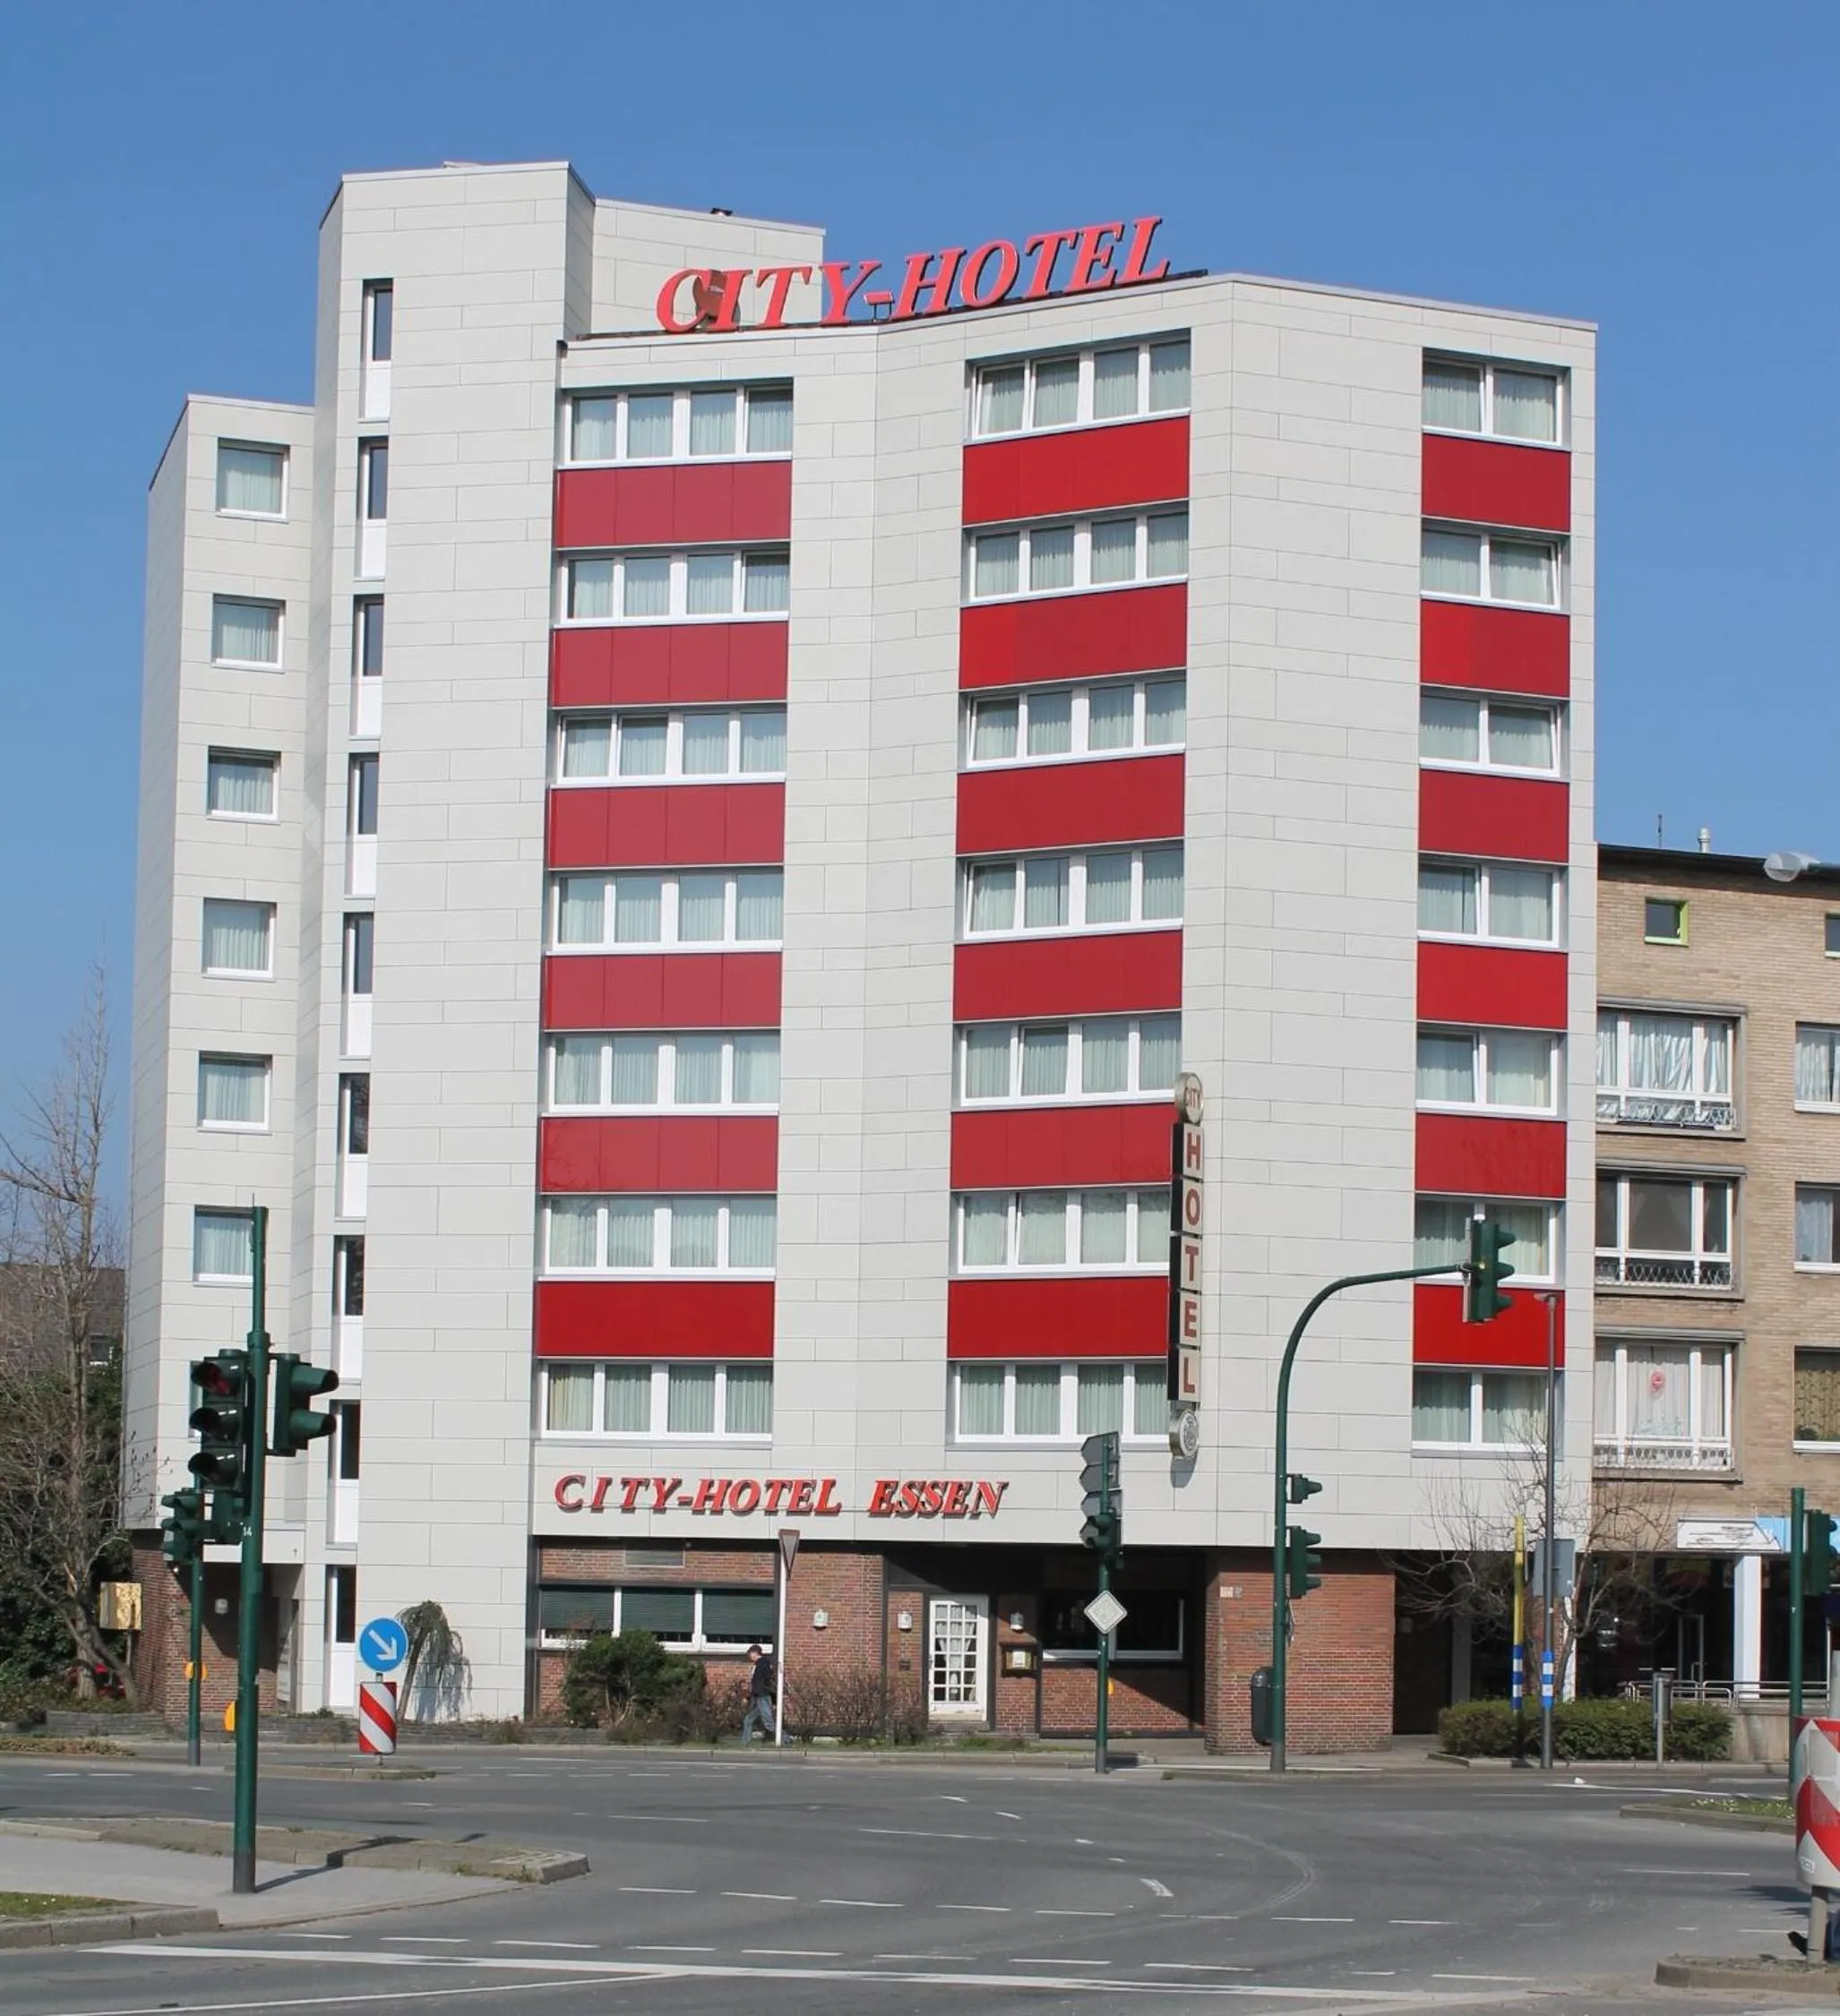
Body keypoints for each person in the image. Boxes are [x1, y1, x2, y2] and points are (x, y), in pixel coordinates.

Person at [741, 1643, 778, 1743]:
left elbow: (760, 1683)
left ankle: (784, 1740)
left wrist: (748, 1697)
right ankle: (745, 1742)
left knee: (769, 1723)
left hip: (762, 1696)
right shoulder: (762, 1664)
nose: (749, 1657)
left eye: (750, 1654)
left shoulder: (762, 1664)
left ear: (754, 1653)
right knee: (748, 1720)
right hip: (758, 1696)